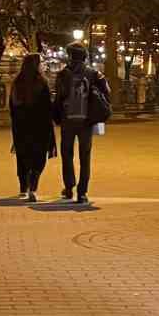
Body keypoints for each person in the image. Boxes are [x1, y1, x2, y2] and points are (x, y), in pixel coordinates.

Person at [51, 44, 109, 205]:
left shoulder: (63, 74)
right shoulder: (94, 74)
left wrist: (56, 117)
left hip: (68, 120)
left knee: (67, 154)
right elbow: (106, 93)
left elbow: (58, 98)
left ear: (70, 56)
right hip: (86, 121)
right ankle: (82, 192)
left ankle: (69, 187)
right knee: (85, 156)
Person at [8, 54, 56, 201]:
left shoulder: (17, 83)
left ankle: (23, 187)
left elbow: (12, 106)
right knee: (39, 157)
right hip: (39, 126)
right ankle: (33, 187)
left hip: (20, 126)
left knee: (23, 156)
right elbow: (48, 107)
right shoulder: (41, 83)